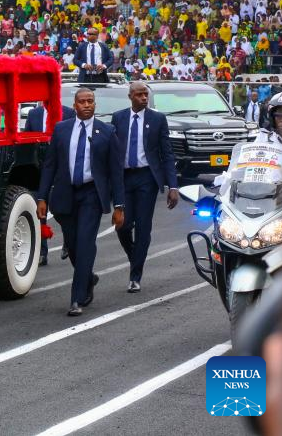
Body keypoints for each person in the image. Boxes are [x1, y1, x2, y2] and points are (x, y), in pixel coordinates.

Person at [36, 88, 126, 316]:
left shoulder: (106, 132)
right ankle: (88, 277)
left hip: (92, 195)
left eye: (90, 102)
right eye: (82, 102)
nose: (87, 105)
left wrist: (119, 206)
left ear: (95, 105)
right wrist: (42, 197)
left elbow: (116, 172)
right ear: (74, 105)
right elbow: (50, 165)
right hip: (66, 194)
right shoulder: (61, 129)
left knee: (86, 243)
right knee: (74, 245)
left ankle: (76, 299)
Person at [111, 82, 179, 293]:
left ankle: (135, 275)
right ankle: (136, 258)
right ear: (130, 96)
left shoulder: (157, 119)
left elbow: (167, 154)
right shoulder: (118, 118)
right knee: (122, 225)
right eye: (139, 95)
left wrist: (173, 186)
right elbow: (112, 151)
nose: (143, 98)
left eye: (145, 95)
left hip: (146, 178)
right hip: (124, 178)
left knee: (143, 226)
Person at [24, 101, 75, 266]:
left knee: (60, 209)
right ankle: (41, 252)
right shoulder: (34, 114)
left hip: (61, 168)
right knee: (39, 209)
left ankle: (68, 239)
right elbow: (27, 139)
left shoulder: (68, 112)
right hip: (39, 168)